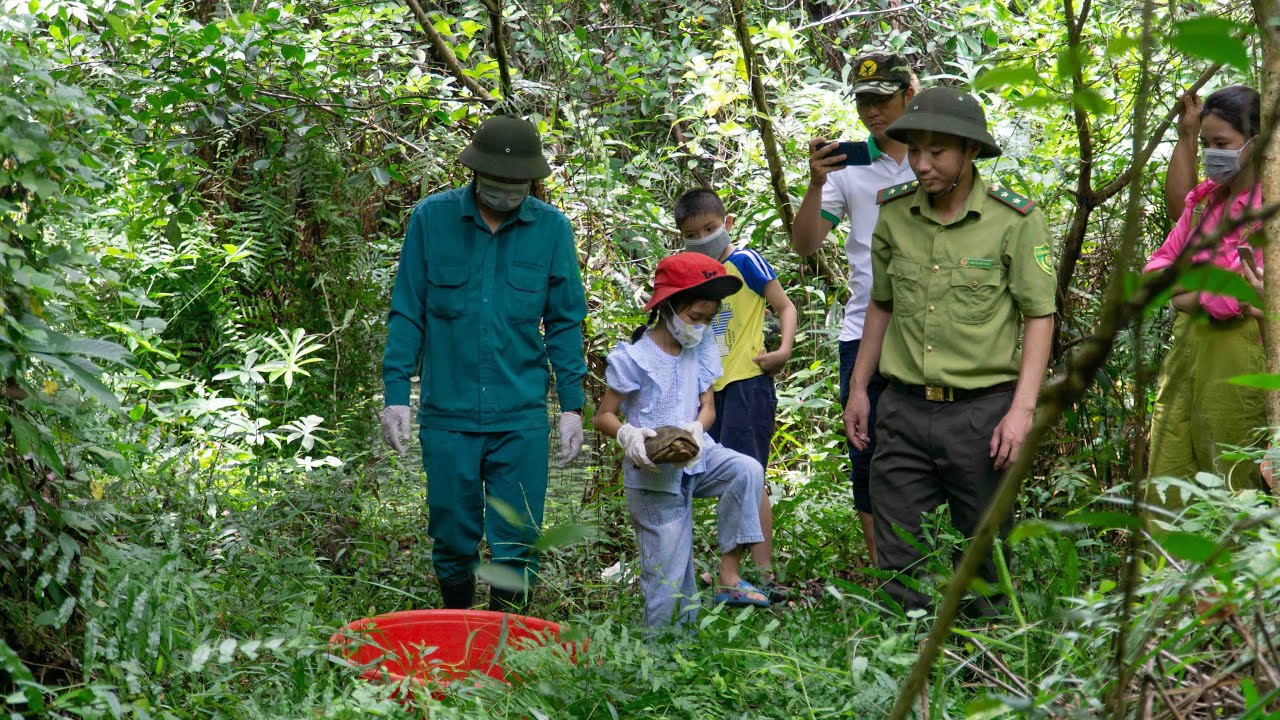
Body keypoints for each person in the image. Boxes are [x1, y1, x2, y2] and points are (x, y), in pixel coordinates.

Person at [844, 87, 1056, 616]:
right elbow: (882, 304)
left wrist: (1021, 411)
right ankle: (907, 654)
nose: (921, 164)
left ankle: (987, 656)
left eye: (936, 152)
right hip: (903, 408)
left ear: (969, 151)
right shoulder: (895, 213)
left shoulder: (1014, 219)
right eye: (915, 150)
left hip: (981, 414)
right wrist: (859, 388)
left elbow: (1039, 315)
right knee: (899, 558)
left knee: (985, 556)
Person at [379, 116, 589, 613]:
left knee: (518, 540)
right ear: (475, 173)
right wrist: (396, 395)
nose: (506, 193)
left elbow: (564, 323)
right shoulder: (432, 220)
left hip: (520, 416)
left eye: (518, 185)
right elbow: (408, 311)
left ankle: (505, 638)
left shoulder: (551, 230)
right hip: (447, 414)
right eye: (497, 182)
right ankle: (456, 627)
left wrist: (572, 407)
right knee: (452, 535)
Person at [594, 252, 769, 628]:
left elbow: (708, 407)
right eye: (694, 317)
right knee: (670, 578)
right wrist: (628, 434)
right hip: (654, 475)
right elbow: (603, 414)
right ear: (668, 307)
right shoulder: (635, 358)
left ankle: (729, 575)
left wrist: (697, 430)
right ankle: (662, 651)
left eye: (708, 319)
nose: (700, 326)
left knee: (747, 470)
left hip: (697, 459)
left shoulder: (701, 348)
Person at [792, 51, 919, 563]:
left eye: (882, 100)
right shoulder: (848, 166)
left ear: (909, 95)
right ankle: (886, 573)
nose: (872, 112)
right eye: (864, 101)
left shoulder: (936, 155)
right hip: (864, 330)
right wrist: (816, 183)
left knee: (929, 450)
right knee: (865, 451)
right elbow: (805, 244)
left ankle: (934, 565)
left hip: (931, 329)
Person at [1145, 85, 1266, 499]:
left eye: (1222, 144)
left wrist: (1187, 291)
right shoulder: (1203, 203)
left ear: (1255, 143)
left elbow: (1240, 298)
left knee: (1235, 480)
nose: (1213, 153)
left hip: (1239, 358)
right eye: (1206, 144)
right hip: (1185, 356)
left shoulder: (1268, 210)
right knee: (1168, 473)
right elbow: (1155, 271)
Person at [675, 188, 797, 597]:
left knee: (750, 474)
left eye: (710, 228)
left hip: (747, 381)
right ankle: (731, 569)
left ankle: (762, 574)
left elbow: (785, 306)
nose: (703, 238)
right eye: (692, 234)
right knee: (723, 475)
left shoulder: (745, 261)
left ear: (727, 224)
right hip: (708, 391)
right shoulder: (693, 273)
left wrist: (783, 350)